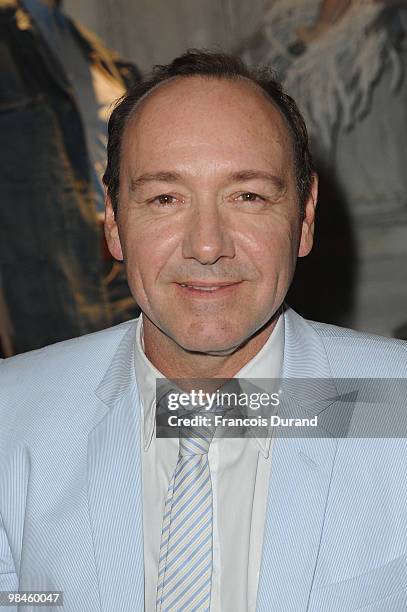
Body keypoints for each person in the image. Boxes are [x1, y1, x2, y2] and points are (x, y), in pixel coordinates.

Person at [1, 50, 407, 612]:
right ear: (114, 222)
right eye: (165, 199)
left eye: (248, 196)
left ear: (306, 216)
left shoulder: (397, 404)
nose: (208, 245)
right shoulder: (11, 414)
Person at [0, 0, 140, 356]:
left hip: (131, 257)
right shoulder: (9, 40)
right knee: (72, 400)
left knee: (164, 399)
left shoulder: (82, 41)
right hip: (58, 269)